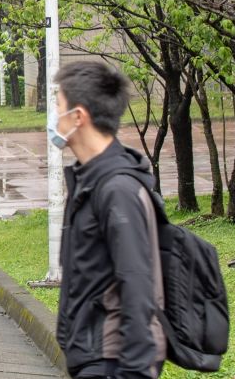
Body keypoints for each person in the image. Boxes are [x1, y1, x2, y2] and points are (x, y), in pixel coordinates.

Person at [53, 60, 165, 379]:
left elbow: (138, 284)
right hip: (92, 356)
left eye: (58, 107)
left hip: (112, 361)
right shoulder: (91, 180)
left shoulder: (117, 189)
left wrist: (134, 371)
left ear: (78, 117)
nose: (53, 118)